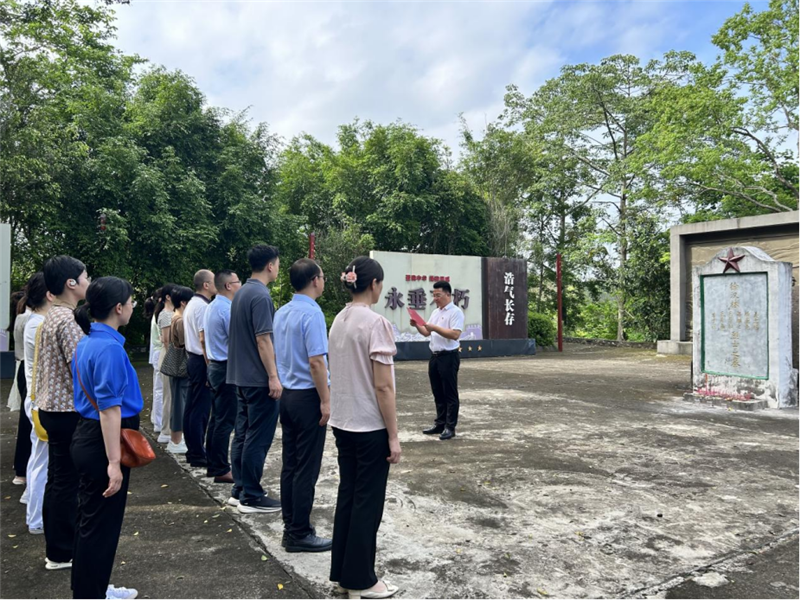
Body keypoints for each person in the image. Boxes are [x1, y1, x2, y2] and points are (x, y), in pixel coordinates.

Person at [328, 256, 401, 599]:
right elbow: (383, 387)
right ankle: (361, 580)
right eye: (380, 284)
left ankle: (344, 574)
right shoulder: (376, 324)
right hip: (369, 425)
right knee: (367, 503)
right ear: (373, 284)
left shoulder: (338, 320)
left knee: (349, 496)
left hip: (343, 423)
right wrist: (393, 436)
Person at [71, 276, 142, 600]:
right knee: (101, 527)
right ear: (118, 308)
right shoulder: (109, 348)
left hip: (88, 436)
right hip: (104, 441)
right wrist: (114, 462)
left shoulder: (87, 342)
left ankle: (91, 588)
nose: (133, 306)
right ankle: (91, 593)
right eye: (130, 301)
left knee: (90, 522)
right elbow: (109, 410)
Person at [273, 259, 332, 552]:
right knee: (306, 468)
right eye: (322, 276)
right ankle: (299, 532)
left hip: (287, 396)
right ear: (314, 280)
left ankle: (291, 525)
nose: (323, 281)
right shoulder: (312, 313)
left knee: (291, 464)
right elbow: (316, 362)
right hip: (308, 397)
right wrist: (326, 400)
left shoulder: (282, 312)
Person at [35, 255, 89, 571]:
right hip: (67, 410)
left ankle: (56, 549)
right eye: (85, 277)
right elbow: (81, 369)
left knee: (58, 480)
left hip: (51, 408)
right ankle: (62, 551)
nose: (88, 282)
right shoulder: (67, 321)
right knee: (67, 483)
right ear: (71, 283)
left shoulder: (52, 315)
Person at [227, 244, 282, 513]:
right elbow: (263, 340)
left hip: (240, 376)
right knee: (257, 438)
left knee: (243, 434)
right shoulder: (260, 296)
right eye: (278, 264)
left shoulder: (241, 293)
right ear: (270, 265)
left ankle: (239, 489)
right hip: (258, 379)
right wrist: (273, 376)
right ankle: (251, 495)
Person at [411, 280, 465, 441]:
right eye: (434, 295)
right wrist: (417, 325)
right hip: (434, 356)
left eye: (438, 295)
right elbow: (426, 332)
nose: (435, 298)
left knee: (450, 393)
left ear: (448, 294)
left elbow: (455, 334)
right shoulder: (435, 312)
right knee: (438, 392)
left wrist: (434, 328)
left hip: (449, 356)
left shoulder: (455, 312)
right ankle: (440, 424)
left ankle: (450, 427)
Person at [203, 270, 241, 483]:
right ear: (228, 285)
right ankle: (220, 468)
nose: (240, 285)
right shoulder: (226, 310)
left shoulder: (212, 306)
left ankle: (214, 464)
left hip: (215, 366)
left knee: (217, 418)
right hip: (226, 367)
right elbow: (237, 340)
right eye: (237, 282)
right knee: (225, 421)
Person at [22, 273, 52, 535]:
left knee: (38, 458)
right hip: (41, 401)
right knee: (42, 461)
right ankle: (36, 517)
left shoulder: (35, 321)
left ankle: (34, 511)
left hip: (37, 399)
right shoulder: (40, 324)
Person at [182, 269, 216, 468]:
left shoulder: (192, 304)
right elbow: (203, 339)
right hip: (201, 360)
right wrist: (210, 366)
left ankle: (193, 450)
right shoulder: (202, 307)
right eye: (213, 281)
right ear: (206, 285)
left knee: (192, 407)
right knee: (200, 409)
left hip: (193, 359)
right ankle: (197, 452)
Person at [167, 286, 194, 455]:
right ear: (184, 302)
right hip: (182, 366)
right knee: (179, 403)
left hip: (177, 366)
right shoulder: (181, 321)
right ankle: (176, 440)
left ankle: (176, 439)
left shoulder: (175, 317)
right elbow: (187, 344)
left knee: (178, 401)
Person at [12, 291, 32, 486]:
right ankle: (22, 469)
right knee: (28, 420)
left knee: (26, 419)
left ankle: (21, 468)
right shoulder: (32, 320)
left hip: (22, 366)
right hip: (29, 368)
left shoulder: (20, 317)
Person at [156, 285, 177, 447]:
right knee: (169, 396)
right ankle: (166, 431)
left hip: (172, 355)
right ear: (168, 297)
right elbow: (166, 340)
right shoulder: (165, 314)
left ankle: (170, 429)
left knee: (172, 396)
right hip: (169, 356)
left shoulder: (172, 313)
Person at [145, 292, 163, 433]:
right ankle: (159, 422)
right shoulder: (161, 315)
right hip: (160, 352)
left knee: (158, 389)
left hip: (157, 352)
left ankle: (155, 419)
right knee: (160, 390)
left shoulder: (156, 314)